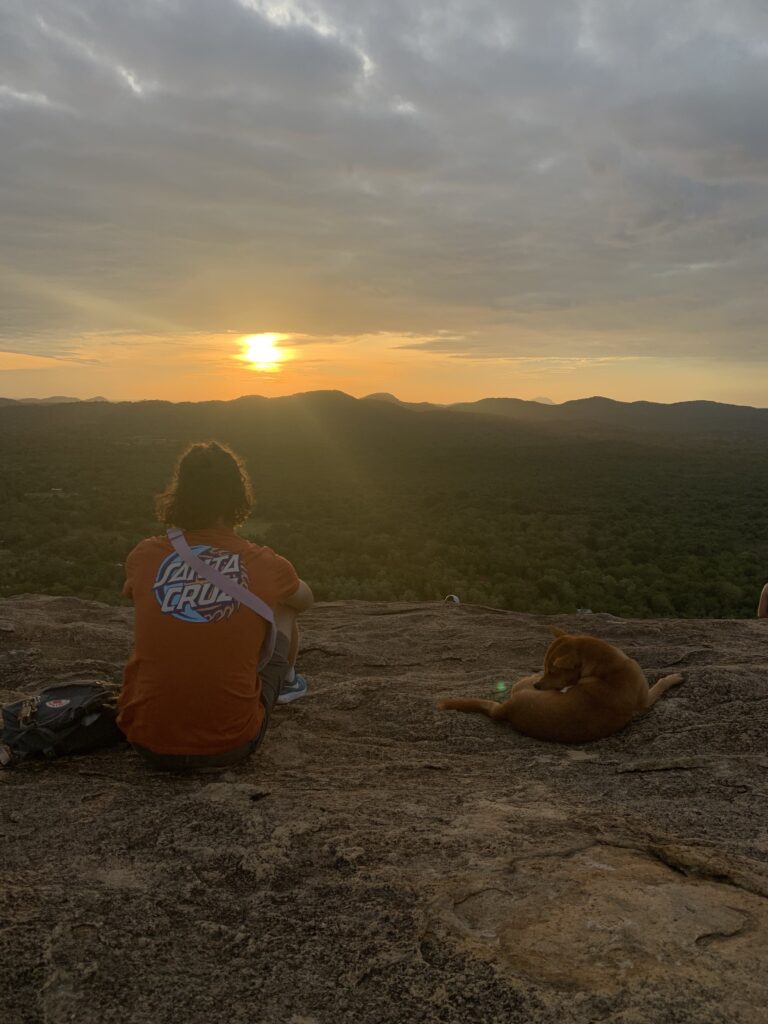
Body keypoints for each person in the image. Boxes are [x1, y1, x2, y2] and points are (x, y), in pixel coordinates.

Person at [117, 441, 314, 771]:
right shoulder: (266, 563)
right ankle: (289, 682)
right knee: (284, 607)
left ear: (180, 496)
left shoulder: (145, 554)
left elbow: (132, 593)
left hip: (146, 741)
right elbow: (304, 600)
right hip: (229, 745)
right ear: (238, 496)